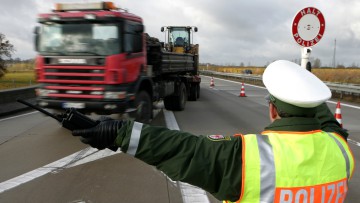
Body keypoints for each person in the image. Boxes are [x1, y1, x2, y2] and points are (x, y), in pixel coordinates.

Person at [72, 60, 355, 202]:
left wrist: (118, 131)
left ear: (272, 109)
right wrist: (306, 89)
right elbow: (331, 124)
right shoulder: (341, 151)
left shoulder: (249, 157)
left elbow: (184, 150)